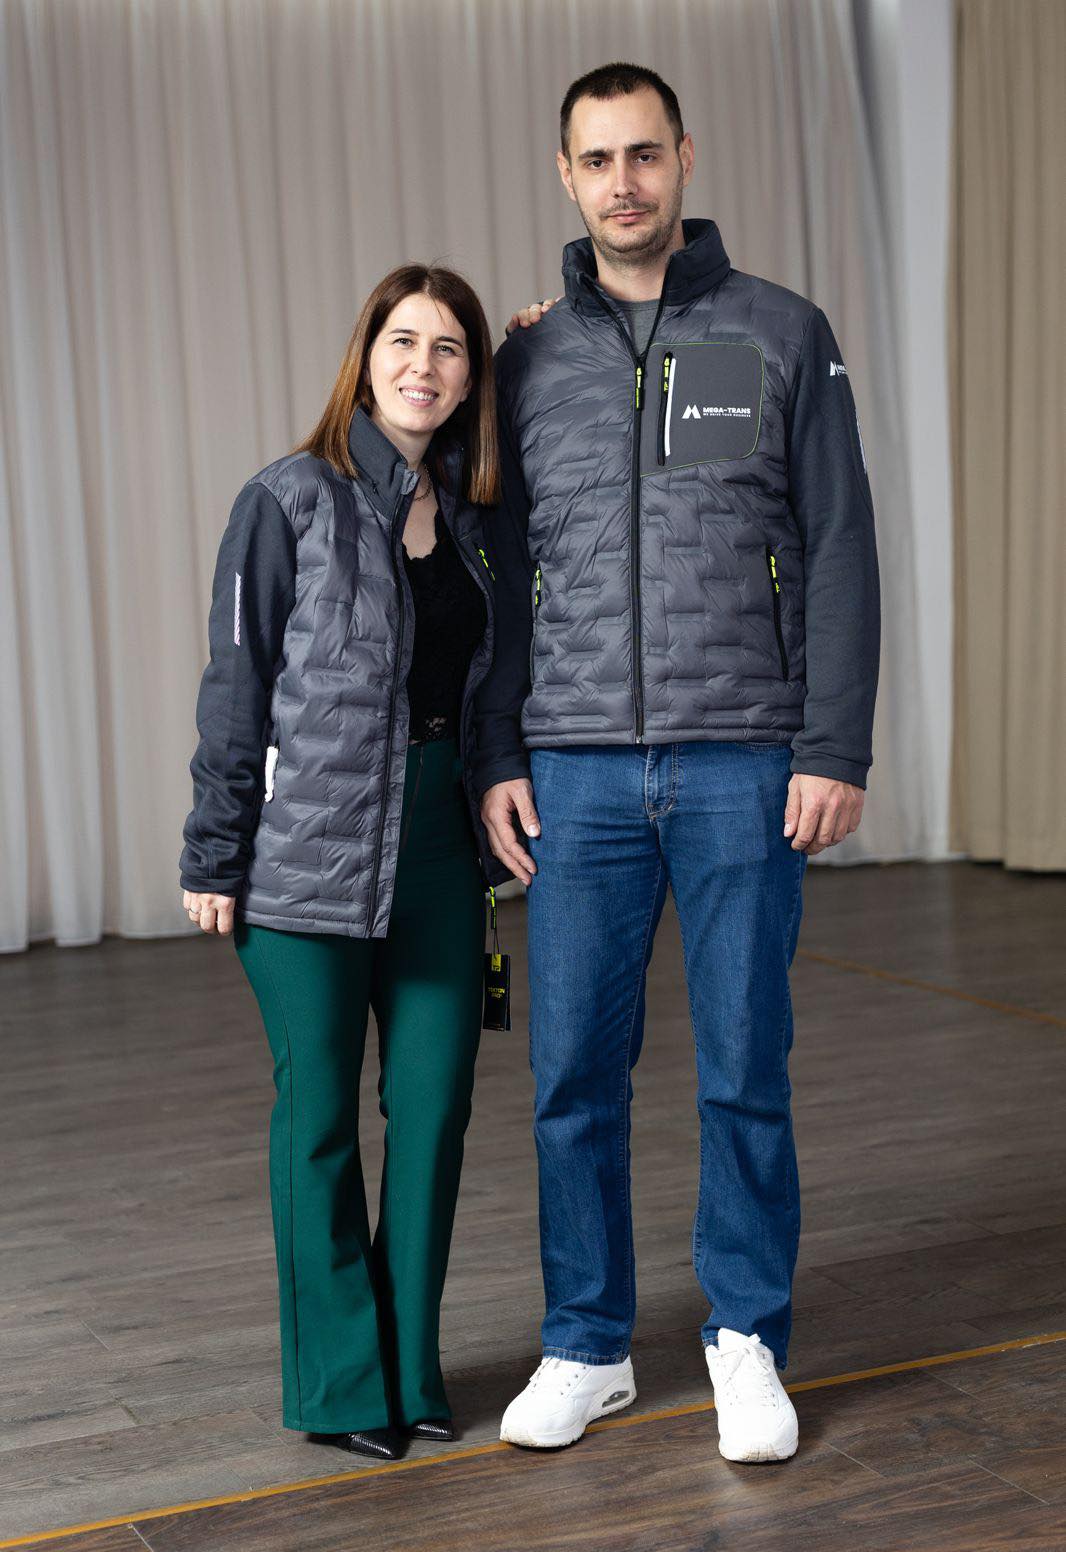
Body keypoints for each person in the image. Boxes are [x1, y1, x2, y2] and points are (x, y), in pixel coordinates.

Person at [472, 63, 881, 1463]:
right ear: (565, 176)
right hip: (575, 771)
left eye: (643, 154)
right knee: (570, 1077)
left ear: (685, 159)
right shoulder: (526, 363)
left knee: (744, 1066)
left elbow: (837, 543)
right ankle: (586, 1344)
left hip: (742, 762)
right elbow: (496, 576)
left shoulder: (780, 329)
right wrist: (496, 752)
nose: (623, 182)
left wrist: (830, 742)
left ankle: (745, 1337)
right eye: (596, 160)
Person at [179, 264, 510, 1462]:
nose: (424, 366)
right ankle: (339, 1382)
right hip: (303, 858)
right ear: (364, 358)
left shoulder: (474, 518)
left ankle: (409, 1365)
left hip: (438, 853)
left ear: (470, 376)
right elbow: (236, 686)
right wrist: (214, 851)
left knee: (432, 1111)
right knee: (317, 1117)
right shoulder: (287, 500)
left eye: (450, 348)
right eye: (403, 341)